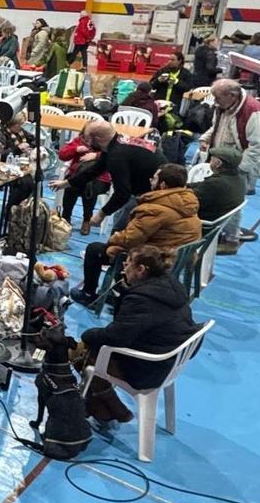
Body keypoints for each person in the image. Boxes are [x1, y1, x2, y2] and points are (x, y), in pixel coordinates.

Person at [80, 245, 200, 424]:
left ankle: (110, 409)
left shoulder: (142, 299)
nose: (124, 268)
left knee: (79, 352)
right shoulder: (173, 284)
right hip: (171, 361)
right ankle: (105, 409)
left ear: (141, 269)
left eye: (127, 264)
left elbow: (115, 336)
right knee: (96, 351)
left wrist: (87, 335)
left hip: (147, 368)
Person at [74, 163, 201, 305]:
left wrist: (113, 240)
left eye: (153, 179)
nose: (150, 181)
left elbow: (130, 239)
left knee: (95, 250)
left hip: (154, 260)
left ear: (163, 185)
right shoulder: (188, 202)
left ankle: (88, 294)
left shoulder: (156, 209)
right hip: (176, 258)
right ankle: (120, 294)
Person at [55, 120, 166, 232]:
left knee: (119, 230)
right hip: (156, 181)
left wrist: (101, 214)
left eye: (88, 140)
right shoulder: (118, 141)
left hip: (157, 193)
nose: (88, 144)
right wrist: (66, 183)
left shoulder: (116, 156)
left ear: (98, 139)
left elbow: (122, 193)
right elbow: (95, 170)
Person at [205, 79, 260, 244]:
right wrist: (206, 138)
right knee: (220, 199)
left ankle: (231, 238)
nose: (215, 101)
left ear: (232, 95)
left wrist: (240, 168)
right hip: (222, 163)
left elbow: (259, 146)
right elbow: (218, 126)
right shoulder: (224, 106)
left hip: (239, 165)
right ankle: (219, 232)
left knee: (232, 202)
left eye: (217, 97)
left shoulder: (253, 111)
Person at [57, 132, 110, 234]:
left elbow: (112, 155)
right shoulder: (78, 141)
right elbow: (62, 155)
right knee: (70, 188)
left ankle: (87, 219)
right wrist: (75, 150)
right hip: (77, 174)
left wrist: (96, 155)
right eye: (85, 138)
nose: (87, 141)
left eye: (89, 139)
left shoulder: (104, 145)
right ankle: (66, 217)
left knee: (89, 188)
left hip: (99, 178)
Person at [190, 145, 247, 228]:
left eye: (212, 159)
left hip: (204, 221)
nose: (210, 161)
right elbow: (202, 185)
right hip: (218, 217)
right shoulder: (239, 178)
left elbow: (191, 201)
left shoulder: (215, 183)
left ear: (218, 163)